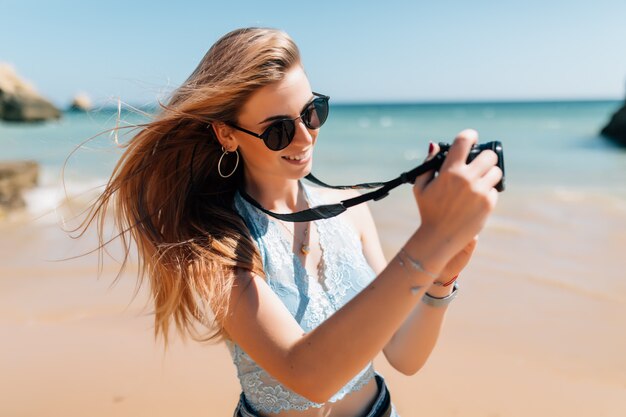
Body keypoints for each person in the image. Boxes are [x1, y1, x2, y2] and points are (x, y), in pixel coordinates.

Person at [83, 27, 502, 417]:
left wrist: (440, 280)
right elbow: (307, 374)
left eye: (312, 112)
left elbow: (405, 357)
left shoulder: (353, 207)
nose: (304, 137)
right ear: (227, 135)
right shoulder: (215, 240)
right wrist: (432, 238)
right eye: (278, 130)